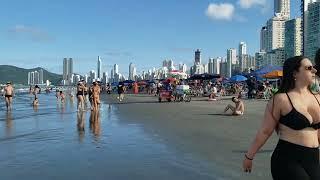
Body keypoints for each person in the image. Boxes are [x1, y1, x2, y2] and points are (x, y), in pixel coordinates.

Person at [243, 56, 320, 179]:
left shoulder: (318, 97)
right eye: (309, 68)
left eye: (314, 68)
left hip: (313, 159)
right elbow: (265, 131)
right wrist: (249, 156)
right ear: (295, 73)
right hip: (287, 160)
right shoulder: (281, 99)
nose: (314, 71)